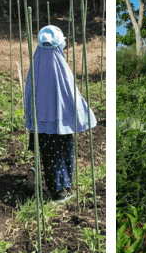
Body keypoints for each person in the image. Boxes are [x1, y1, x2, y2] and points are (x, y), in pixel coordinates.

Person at [24, 25, 97, 202]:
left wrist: (31, 118)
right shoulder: (60, 66)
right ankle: (60, 191)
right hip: (62, 122)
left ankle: (56, 187)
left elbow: (28, 93)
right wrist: (82, 114)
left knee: (49, 155)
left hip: (42, 122)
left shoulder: (36, 63)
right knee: (62, 153)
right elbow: (72, 95)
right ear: (59, 45)